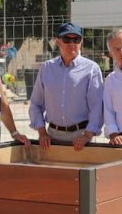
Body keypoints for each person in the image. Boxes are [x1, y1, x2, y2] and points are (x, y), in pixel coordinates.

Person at [28, 22, 103, 151]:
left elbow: (97, 106)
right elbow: (35, 103)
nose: (72, 43)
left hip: (81, 138)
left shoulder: (92, 69)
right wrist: (42, 133)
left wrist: (87, 136)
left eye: (76, 39)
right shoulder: (46, 68)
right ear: (58, 42)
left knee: (82, 172)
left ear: (81, 42)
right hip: (51, 137)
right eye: (67, 39)